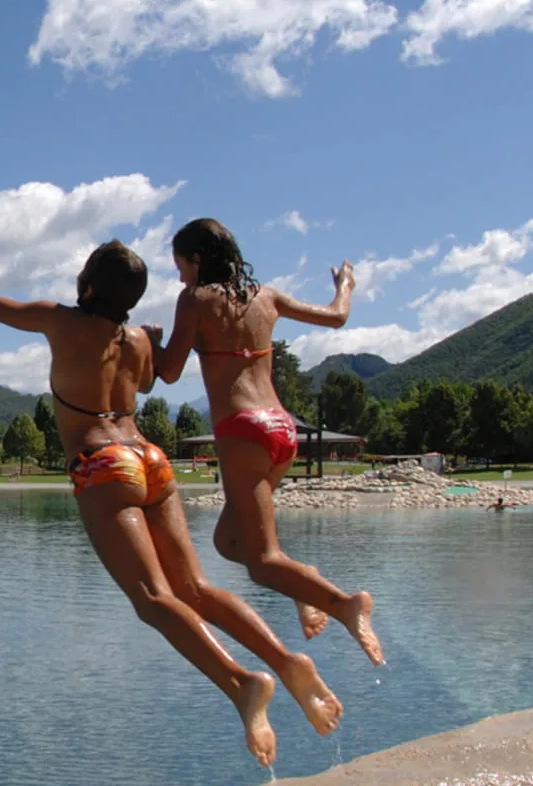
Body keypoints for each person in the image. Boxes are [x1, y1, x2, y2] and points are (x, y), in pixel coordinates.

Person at [0, 238, 343, 766]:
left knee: (153, 599)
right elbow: (151, 379)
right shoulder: (140, 341)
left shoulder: (61, 322)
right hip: (151, 459)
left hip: (103, 463)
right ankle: (287, 662)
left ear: (86, 286)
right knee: (194, 587)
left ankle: (243, 684)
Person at [150, 218, 383, 665]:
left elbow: (170, 372)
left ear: (197, 260)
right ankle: (304, 583)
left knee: (261, 559)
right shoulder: (268, 297)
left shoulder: (195, 300)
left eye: (180, 265)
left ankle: (344, 603)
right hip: (282, 430)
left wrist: (153, 342)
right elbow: (337, 317)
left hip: (242, 431)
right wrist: (347, 284)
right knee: (226, 542)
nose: (179, 276)